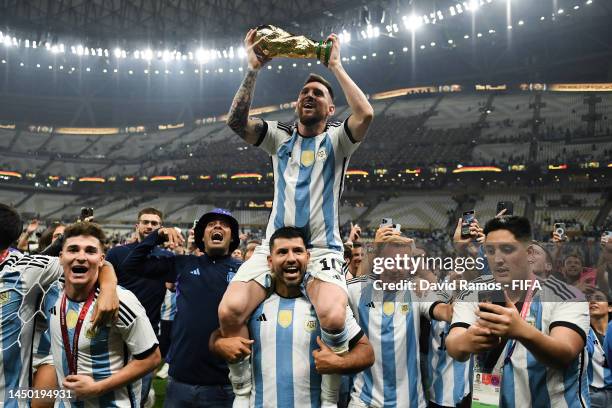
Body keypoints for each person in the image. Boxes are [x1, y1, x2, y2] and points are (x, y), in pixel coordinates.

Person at [221, 27, 373, 406]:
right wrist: (253, 68)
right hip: (275, 247)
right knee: (229, 311)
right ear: (296, 105)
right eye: (304, 92)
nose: (309, 96)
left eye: (317, 94)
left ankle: (328, 394)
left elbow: (366, 113)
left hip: (321, 249)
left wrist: (335, 66)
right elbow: (236, 122)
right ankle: (242, 393)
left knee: (334, 319)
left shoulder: (337, 140)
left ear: (329, 108)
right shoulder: (280, 138)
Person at [210, 227, 374, 407]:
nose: (291, 258)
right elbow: (221, 334)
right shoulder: (254, 304)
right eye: (282, 252)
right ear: (270, 261)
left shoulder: (325, 306)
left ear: (308, 258)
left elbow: (366, 352)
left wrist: (340, 363)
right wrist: (218, 344)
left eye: (297, 251)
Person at [445, 216, 590, 407]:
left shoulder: (566, 294)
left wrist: (520, 330)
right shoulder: (473, 292)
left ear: (529, 253)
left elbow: (564, 354)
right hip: (488, 398)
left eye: (507, 249)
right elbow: (455, 346)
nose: (497, 259)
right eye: (490, 250)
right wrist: (469, 339)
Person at [0, 203, 118, 408]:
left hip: (46, 353)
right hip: (31, 350)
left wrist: (108, 286)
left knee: (43, 404)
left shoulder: (26, 269)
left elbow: (93, 262)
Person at [122, 208, 242, 408]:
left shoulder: (243, 271)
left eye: (224, 225)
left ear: (233, 238)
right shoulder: (183, 264)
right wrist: (156, 236)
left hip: (223, 383)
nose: (218, 227)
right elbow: (131, 266)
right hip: (180, 380)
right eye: (211, 225)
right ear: (202, 237)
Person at [37, 222, 160, 407]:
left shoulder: (121, 301)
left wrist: (98, 388)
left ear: (102, 259)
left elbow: (152, 358)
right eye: (73, 249)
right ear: (61, 257)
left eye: (90, 251)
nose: (81, 257)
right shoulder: (50, 292)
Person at [346, 233, 453, 408]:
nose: (395, 268)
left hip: (410, 403)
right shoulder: (356, 290)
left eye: (402, 262)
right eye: (389, 261)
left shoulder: (416, 291)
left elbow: (445, 311)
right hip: (364, 402)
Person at [105, 207, 173, 405]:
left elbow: (174, 285)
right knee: (111, 392)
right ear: (137, 225)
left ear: (160, 228)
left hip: (148, 330)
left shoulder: (166, 257)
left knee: (140, 394)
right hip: (115, 331)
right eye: (146, 222)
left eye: (154, 223)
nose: (149, 226)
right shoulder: (117, 253)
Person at [585, 287, 612, 408]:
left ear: (610, 307)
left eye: (599, 299)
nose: (593, 301)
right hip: (592, 396)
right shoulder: (582, 332)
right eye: (589, 299)